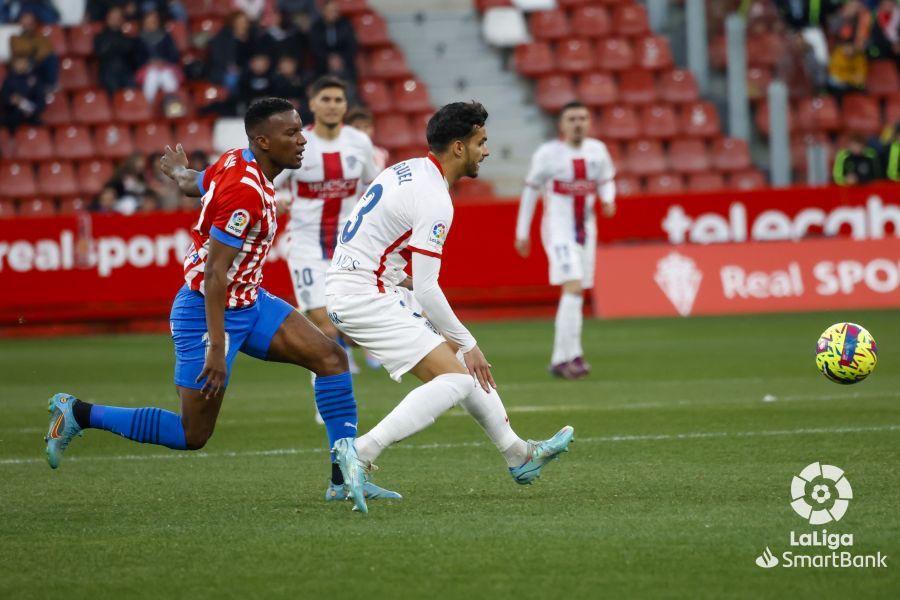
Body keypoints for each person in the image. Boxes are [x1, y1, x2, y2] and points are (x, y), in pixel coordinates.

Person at [43, 98, 382, 513]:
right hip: (206, 311)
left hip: (249, 301)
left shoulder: (238, 162)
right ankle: (77, 412)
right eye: (291, 133)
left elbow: (195, 182)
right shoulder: (245, 191)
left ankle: (342, 481)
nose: (302, 141)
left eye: (299, 130)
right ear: (263, 141)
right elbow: (214, 275)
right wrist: (217, 349)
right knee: (192, 434)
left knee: (331, 358)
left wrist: (177, 172)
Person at [324, 101, 574, 512]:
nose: (486, 151)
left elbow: (376, 243)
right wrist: (469, 340)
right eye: (481, 142)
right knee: (459, 375)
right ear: (459, 147)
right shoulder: (435, 198)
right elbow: (426, 287)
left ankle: (518, 455)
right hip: (362, 295)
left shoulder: (406, 169)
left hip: (363, 285)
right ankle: (363, 450)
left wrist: (397, 281)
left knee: (457, 361)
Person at [274, 76, 381, 402]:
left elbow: (375, 189)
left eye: (338, 100)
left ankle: (335, 388)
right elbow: (270, 185)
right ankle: (330, 399)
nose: (333, 105)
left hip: (349, 246)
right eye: (327, 99)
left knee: (344, 324)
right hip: (307, 246)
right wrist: (277, 200)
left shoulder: (359, 143)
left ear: (345, 105)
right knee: (324, 322)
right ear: (313, 103)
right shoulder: (296, 142)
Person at [514, 101, 616, 380]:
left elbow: (607, 179)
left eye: (583, 117)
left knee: (578, 291)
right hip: (558, 232)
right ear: (562, 124)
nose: (578, 123)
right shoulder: (548, 154)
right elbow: (531, 191)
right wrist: (522, 232)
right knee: (572, 287)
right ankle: (561, 359)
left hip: (586, 231)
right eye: (572, 118)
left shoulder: (598, 151)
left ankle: (574, 354)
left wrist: (608, 199)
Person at [94, 6, 142, 93]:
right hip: (108, 72)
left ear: (122, 20)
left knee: (131, 90)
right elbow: (101, 53)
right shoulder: (100, 37)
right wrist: (118, 47)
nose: (115, 20)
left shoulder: (127, 37)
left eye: (118, 17)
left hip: (125, 72)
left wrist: (114, 46)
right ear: (107, 18)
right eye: (113, 17)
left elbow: (131, 52)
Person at [9, 11, 58, 89]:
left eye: (30, 23)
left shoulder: (41, 38)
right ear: (21, 24)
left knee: (51, 58)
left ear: (34, 23)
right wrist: (34, 48)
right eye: (26, 23)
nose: (28, 26)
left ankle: (51, 85)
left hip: (35, 64)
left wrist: (32, 54)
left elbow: (46, 50)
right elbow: (18, 49)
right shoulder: (15, 38)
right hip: (21, 65)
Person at [0, 56, 45, 133]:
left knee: (38, 123)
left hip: (30, 113)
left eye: (23, 62)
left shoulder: (34, 79)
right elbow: (4, 99)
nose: (21, 64)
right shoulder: (9, 80)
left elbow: (40, 100)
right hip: (13, 114)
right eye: (18, 62)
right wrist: (11, 101)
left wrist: (29, 106)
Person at [346, 106, 390, 172]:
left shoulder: (382, 154)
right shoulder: (343, 153)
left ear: (373, 129)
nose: (362, 131)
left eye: (366, 127)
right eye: (357, 127)